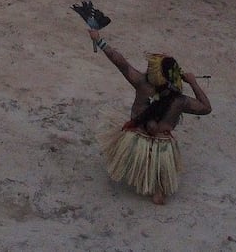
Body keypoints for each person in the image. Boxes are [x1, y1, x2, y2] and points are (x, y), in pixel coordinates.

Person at [89, 26, 212, 205]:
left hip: (134, 139)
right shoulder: (180, 101)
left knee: (140, 138)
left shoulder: (141, 83)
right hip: (161, 146)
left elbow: (120, 62)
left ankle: (139, 171)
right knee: (161, 154)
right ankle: (158, 190)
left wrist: (99, 40)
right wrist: (193, 82)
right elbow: (206, 107)